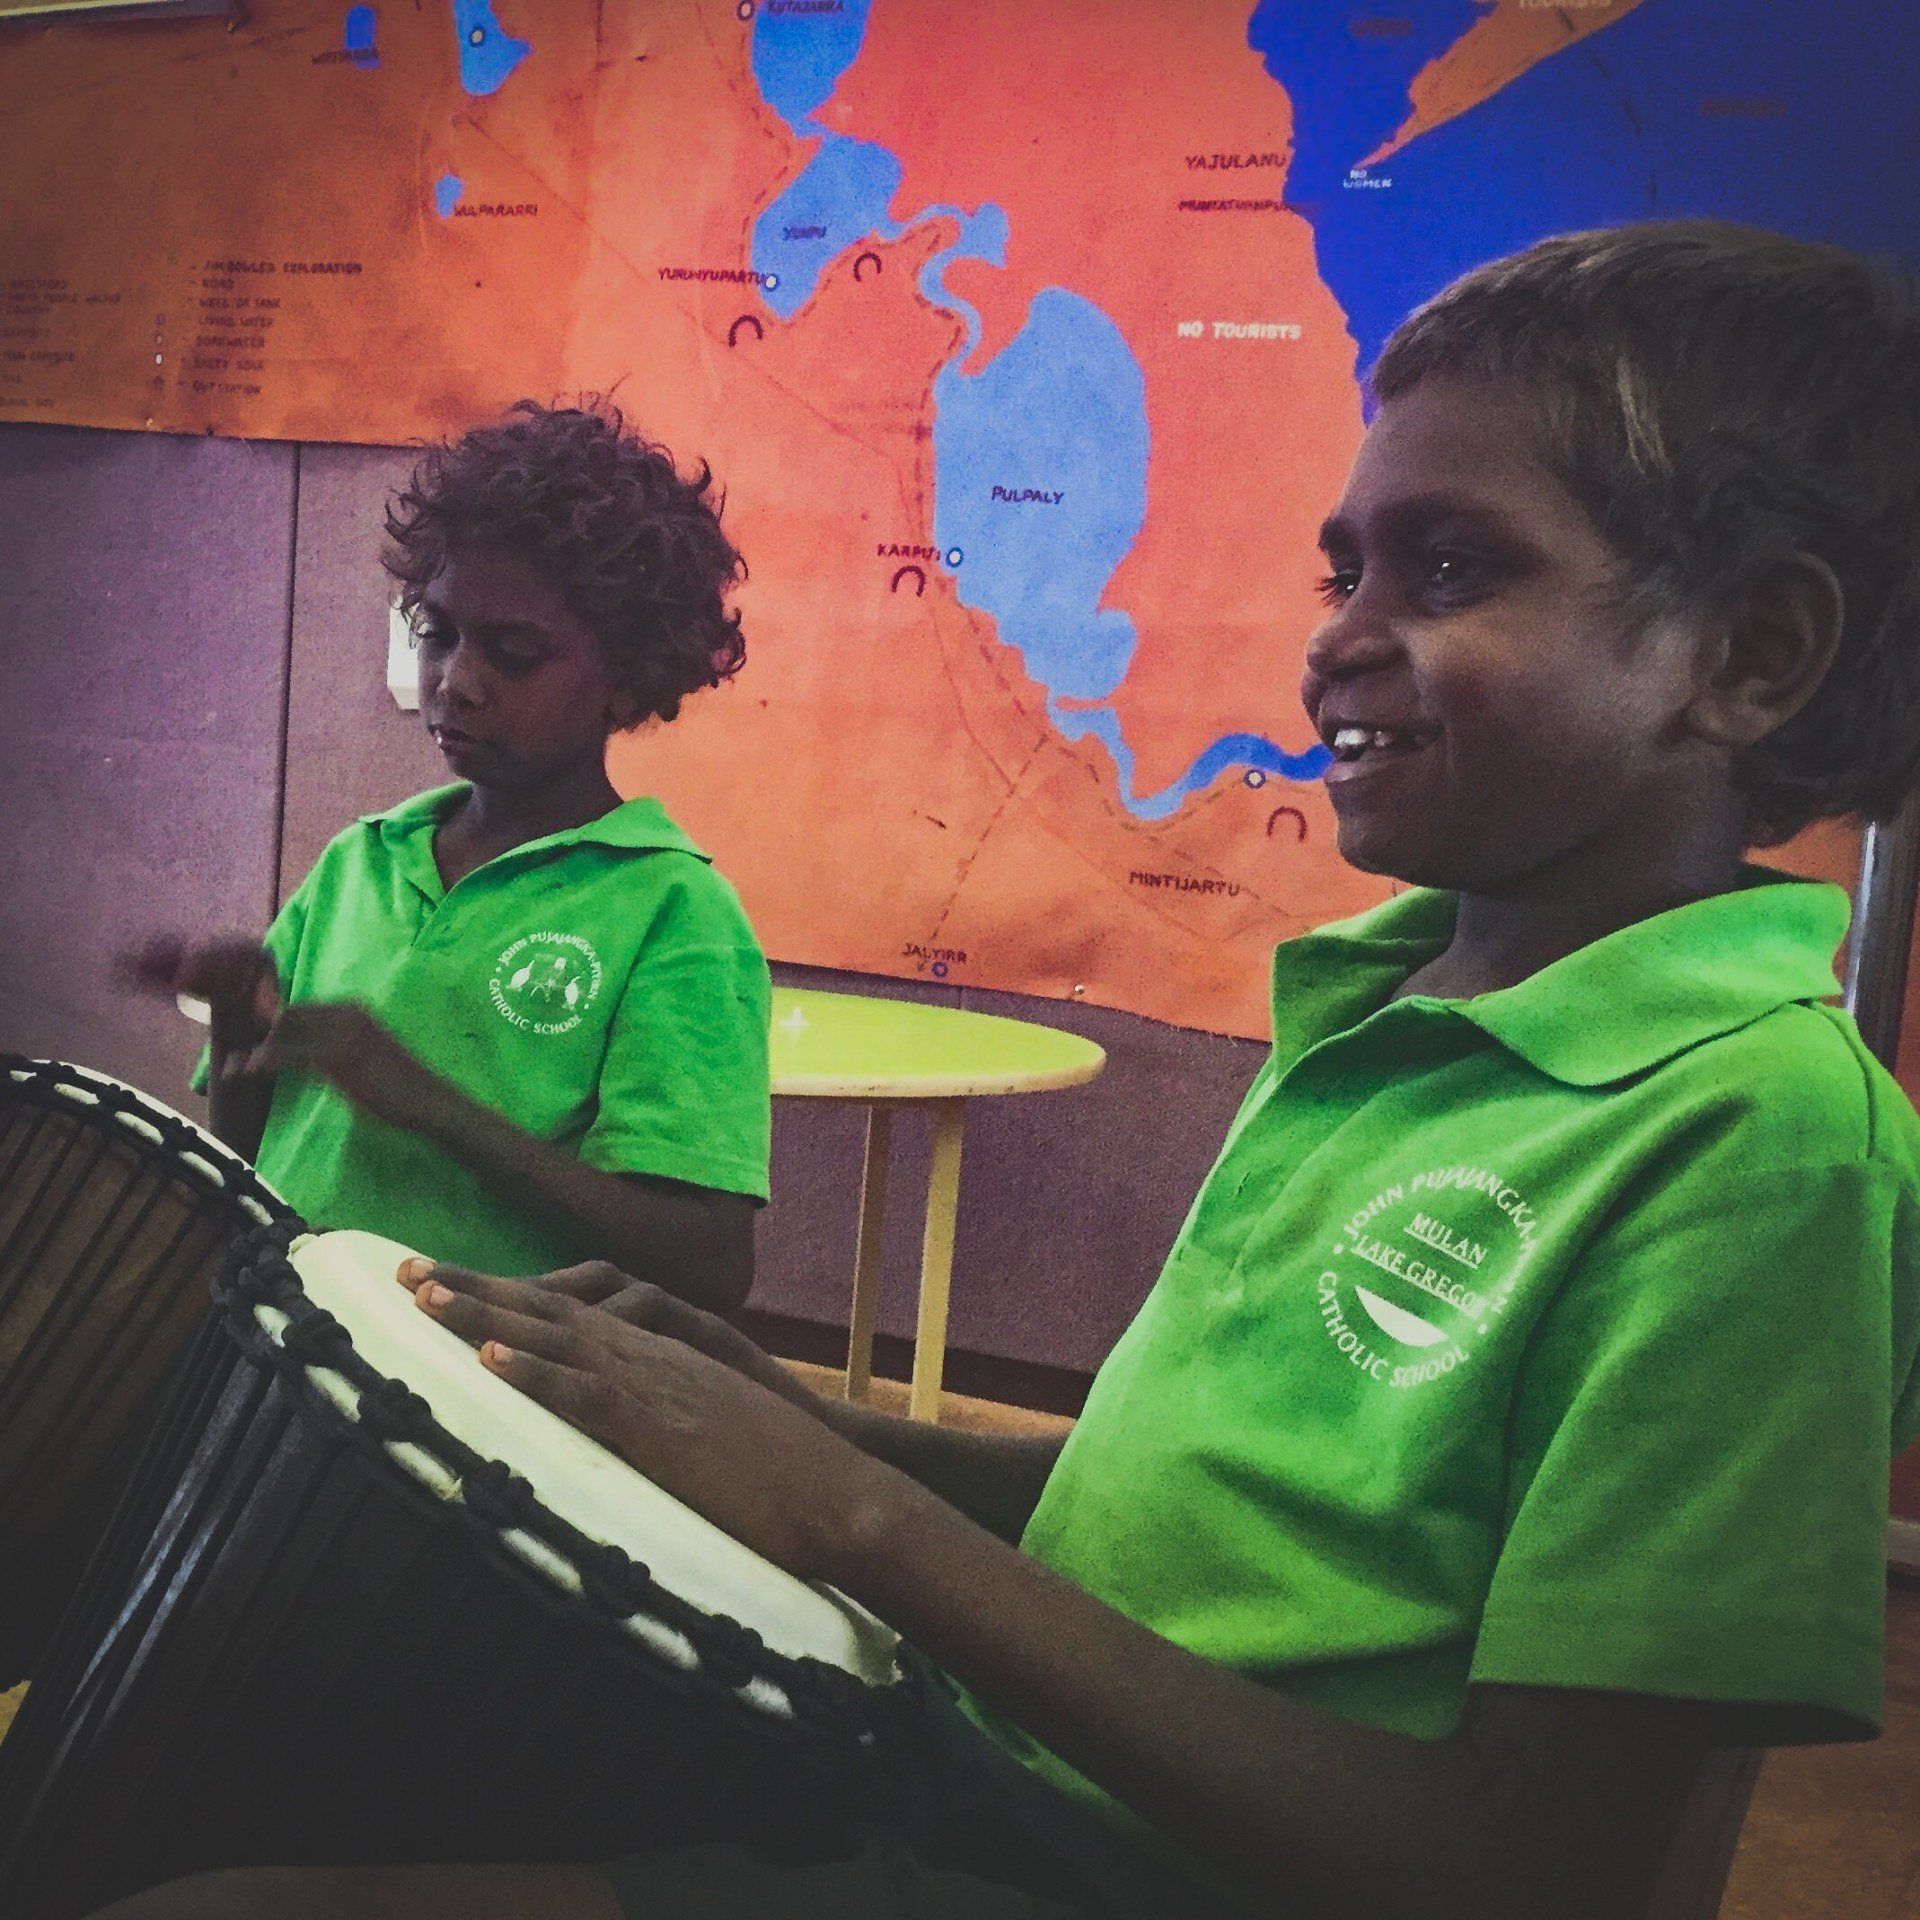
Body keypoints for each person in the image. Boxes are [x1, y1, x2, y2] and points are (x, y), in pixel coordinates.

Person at [95, 221, 1920, 1920]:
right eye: (1342, 564)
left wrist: (858, 1517)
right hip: (966, 1784)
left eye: (1453, 567)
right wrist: (791, 1410)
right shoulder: (1381, 1018)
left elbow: (1535, 1871)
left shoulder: (1761, 1141)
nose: (1338, 636)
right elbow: (1165, 1546)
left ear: (1748, 655)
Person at [129, 402, 771, 1312]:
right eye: (437, 633)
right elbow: (256, 1154)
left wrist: (421, 1099)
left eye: (513, 653)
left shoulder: (671, 913)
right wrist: (243, 1024)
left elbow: (707, 1266)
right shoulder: (364, 861)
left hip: (469, 1399)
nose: (456, 681)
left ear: (627, 675)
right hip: (281, 1343)